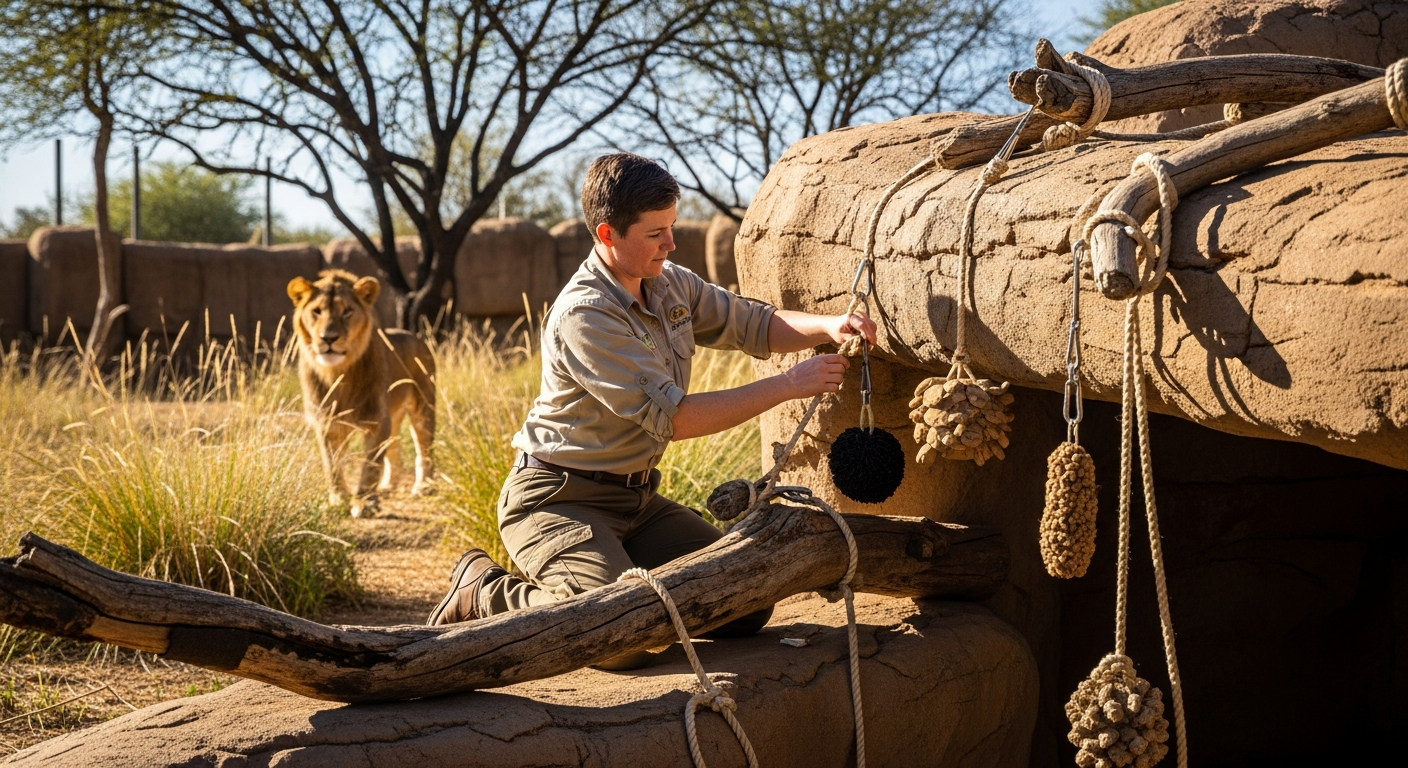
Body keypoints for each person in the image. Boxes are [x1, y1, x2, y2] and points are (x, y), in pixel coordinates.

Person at [428, 153, 876, 666]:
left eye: (672, 227)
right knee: (623, 642)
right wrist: (788, 384)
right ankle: (484, 592)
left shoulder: (669, 282)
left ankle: (626, 593)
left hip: (638, 502)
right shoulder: (586, 315)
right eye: (655, 232)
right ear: (608, 234)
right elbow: (677, 419)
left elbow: (751, 323)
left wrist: (827, 325)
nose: (671, 243)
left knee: (746, 606)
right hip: (558, 502)